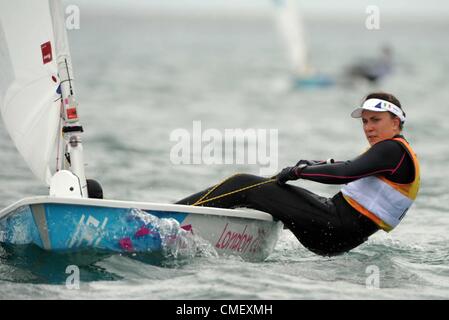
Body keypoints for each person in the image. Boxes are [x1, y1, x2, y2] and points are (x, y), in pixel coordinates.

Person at [176, 92, 420, 256]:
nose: (368, 128)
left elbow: (346, 173)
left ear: (396, 122)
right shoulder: (397, 153)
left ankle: (168, 219)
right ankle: (218, 235)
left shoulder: (392, 149)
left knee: (243, 183)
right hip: (339, 236)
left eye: (375, 120)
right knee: (269, 190)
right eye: (365, 121)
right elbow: (350, 165)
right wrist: (314, 164)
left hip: (334, 225)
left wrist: (299, 171)